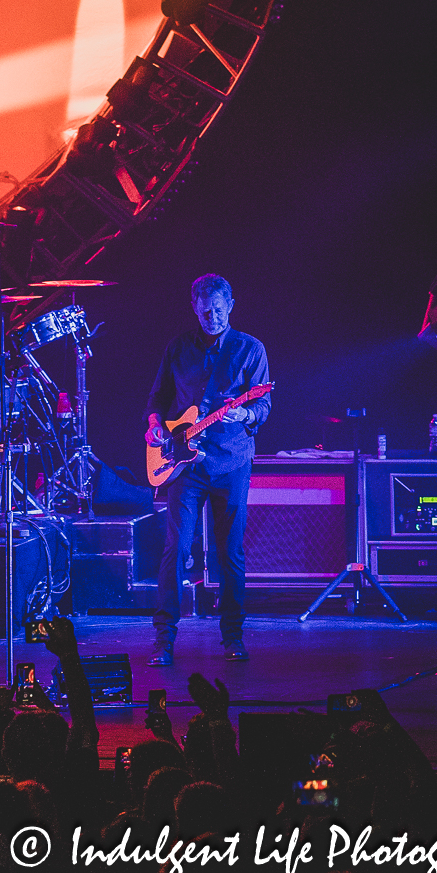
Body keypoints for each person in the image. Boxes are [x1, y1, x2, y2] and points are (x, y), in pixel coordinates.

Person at [144, 273, 270, 665]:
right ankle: (164, 639)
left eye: (217, 310)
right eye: (203, 312)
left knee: (229, 550)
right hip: (183, 464)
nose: (211, 317)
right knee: (176, 548)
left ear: (230, 306)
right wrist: (153, 427)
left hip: (231, 461)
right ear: (194, 309)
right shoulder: (178, 347)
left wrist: (245, 412)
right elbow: (158, 398)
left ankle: (233, 636)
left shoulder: (251, 349)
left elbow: (263, 406)